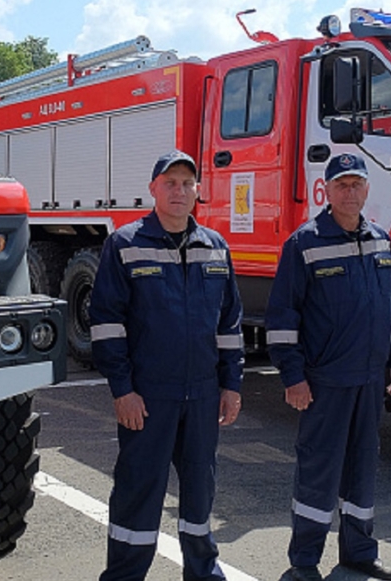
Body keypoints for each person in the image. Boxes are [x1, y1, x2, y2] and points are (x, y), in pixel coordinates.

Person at [89, 149, 246, 581]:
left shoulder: (215, 248)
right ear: (153, 189)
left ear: (198, 191)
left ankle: (203, 573)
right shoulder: (125, 244)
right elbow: (106, 324)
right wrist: (122, 389)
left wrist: (231, 385)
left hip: (202, 395)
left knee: (200, 493)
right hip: (149, 396)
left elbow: (229, 323)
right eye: (170, 183)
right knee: (138, 492)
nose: (179, 191)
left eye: (186, 183)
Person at [265, 153, 391, 581]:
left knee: (363, 468)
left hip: (369, 379)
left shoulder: (381, 241)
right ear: (326, 191)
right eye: (341, 185)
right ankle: (304, 563)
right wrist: (293, 376)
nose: (350, 192)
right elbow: (282, 319)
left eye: (357, 184)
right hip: (325, 381)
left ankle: (359, 553)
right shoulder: (304, 244)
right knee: (318, 472)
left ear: (367, 190)